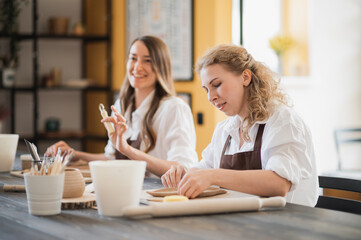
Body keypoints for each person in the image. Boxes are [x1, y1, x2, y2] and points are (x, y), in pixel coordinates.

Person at [161, 44, 318, 207]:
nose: (211, 97)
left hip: (286, 225)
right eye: (206, 89)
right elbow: (204, 169)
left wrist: (213, 176)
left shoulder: (282, 121)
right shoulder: (225, 130)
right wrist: (184, 174)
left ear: (245, 77)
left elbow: (278, 184)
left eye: (216, 85)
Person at [46, 35, 198, 177]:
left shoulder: (174, 108)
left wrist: (129, 150)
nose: (137, 67)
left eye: (147, 60)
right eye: (133, 58)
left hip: (157, 198)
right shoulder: (121, 105)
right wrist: (75, 155)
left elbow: (183, 169)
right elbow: (112, 158)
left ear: (161, 66)